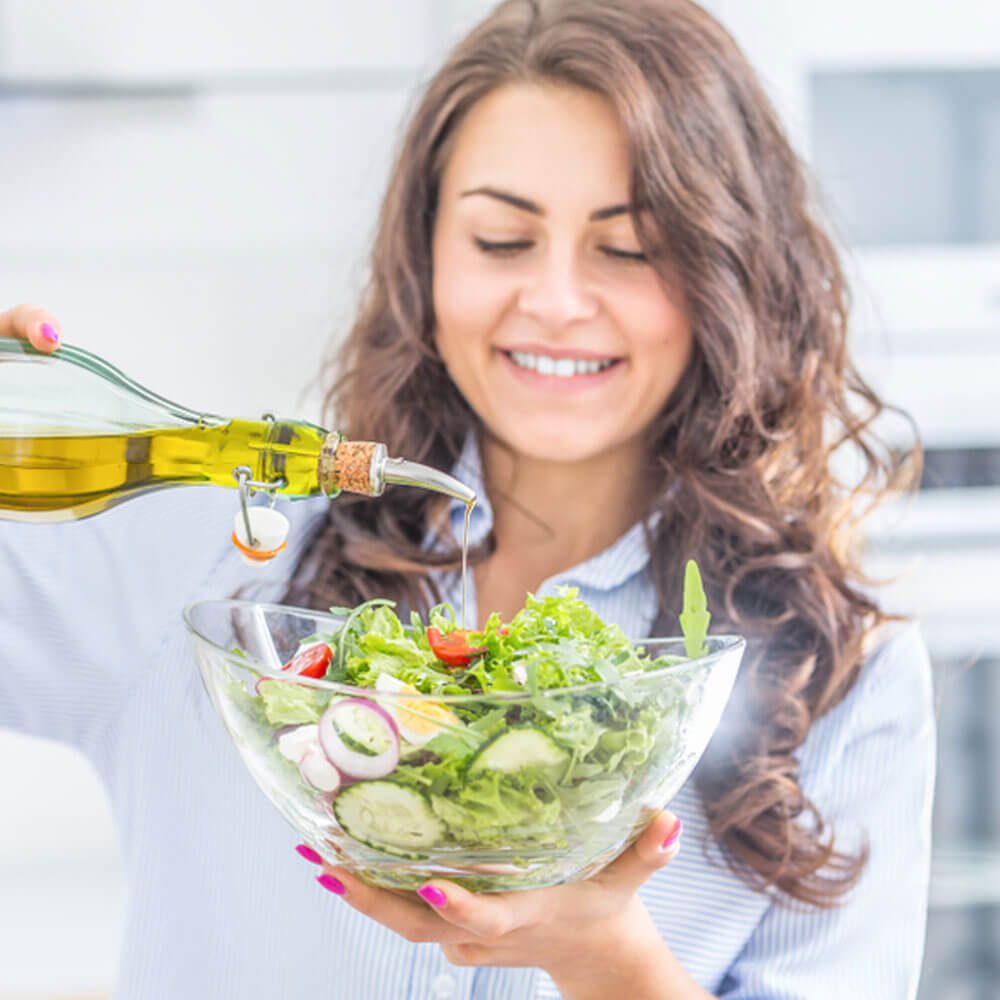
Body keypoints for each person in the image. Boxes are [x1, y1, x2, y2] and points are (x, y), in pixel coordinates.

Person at [0, 1, 936, 997]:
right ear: (427, 254)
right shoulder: (213, 558)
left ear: (730, 272)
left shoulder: (838, 679)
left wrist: (603, 957)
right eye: (500, 239)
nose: (557, 301)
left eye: (627, 249)